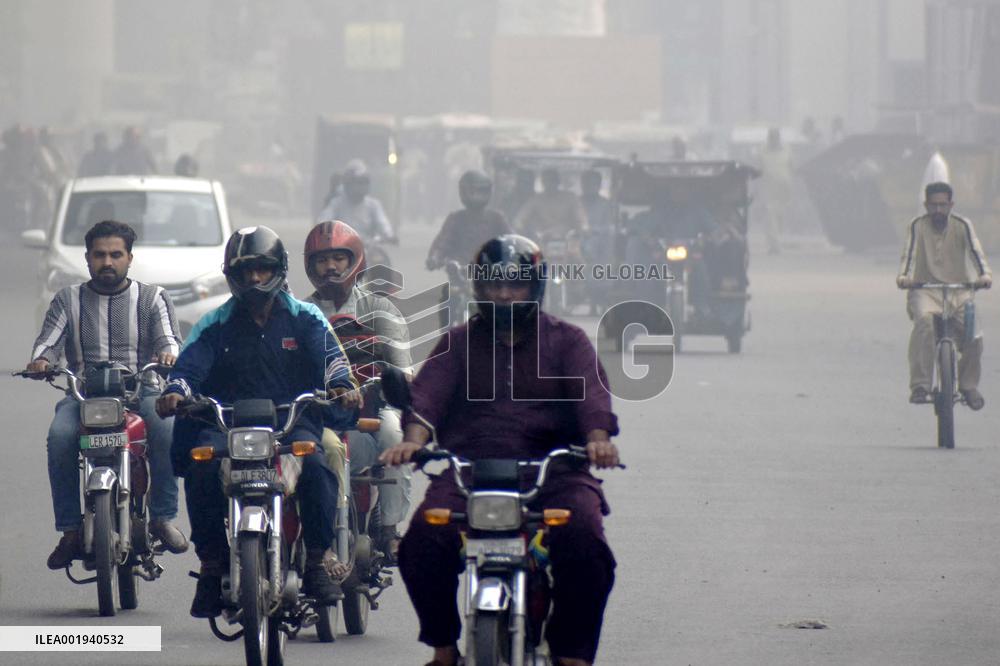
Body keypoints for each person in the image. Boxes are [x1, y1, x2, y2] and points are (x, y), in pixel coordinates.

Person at [381, 234, 621, 666]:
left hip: (555, 472)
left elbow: (592, 399)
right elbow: (428, 397)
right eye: (494, 285)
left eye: (515, 285)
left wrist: (598, 439)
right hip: (470, 473)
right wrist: (412, 442)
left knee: (586, 542)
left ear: (535, 287)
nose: (505, 295)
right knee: (419, 542)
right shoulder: (457, 343)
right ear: (479, 288)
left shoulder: (569, 342)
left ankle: (571, 652)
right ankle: (443, 648)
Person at [155, 225, 361, 618]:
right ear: (232, 274)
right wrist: (176, 391)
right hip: (225, 424)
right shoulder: (213, 322)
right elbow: (187, 369)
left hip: (291, 422)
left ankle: (317, 560)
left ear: (279, 270)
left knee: (317, 465)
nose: (254, 278)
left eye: (262, 269)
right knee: (200, 467)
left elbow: (333, 362)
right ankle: (213, 564)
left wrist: (341, 385)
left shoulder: (306, 317)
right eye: (246, 270)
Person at [26, 220, 187, 569]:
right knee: (60, 436)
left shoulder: (152, 297)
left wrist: (169, 356)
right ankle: (69, 530)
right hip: (83, 396)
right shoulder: (67, 299)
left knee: (165, 428)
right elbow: (48, 342)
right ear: (87, 259)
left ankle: (162, 517)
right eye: (100, 255)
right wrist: (41, 360)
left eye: (116, 254)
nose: (107, 262)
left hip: (141, 390)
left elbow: (170, 341)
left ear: (130, 258)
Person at [302, 220, 413, 560]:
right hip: (321, 408)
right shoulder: (303, 312)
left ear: (355, 262)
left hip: (376, 404)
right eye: (323, 260)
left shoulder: (380, 308)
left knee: (396, 433)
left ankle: (390, 527)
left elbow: (403, 368)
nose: (331, 267)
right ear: (311, 266)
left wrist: (391, 382)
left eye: (339, 258)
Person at [897, 182, 993, 408]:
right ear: (926, 205)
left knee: (974, 336)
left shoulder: (963, 225)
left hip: (959, 291)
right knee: (924, 323)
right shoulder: (916, 226)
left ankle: (968, 386)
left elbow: (976, 253)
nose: (938, 210)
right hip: (925, 290)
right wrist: (904, 278)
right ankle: (920, 385)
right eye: (933, 205)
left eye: (943, 205)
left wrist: (984, 276)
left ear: (951, 205)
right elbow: (908, 257)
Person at [317, 159, 397, 242]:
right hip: (342, 248)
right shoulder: (337, 203)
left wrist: (389, 235)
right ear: (347, 184)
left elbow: (382, 222)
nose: (360, 187)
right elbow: (325, 219)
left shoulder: (373, 205)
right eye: (356, 183)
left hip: (367, 247)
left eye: (363, 183)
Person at [514, 168, 588, 239]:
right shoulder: (536, 199)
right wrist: (519, 227)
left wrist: (584, 227)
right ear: (543, 183)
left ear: (558, 182)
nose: (550, 183)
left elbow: (580, 215)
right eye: (547, 181)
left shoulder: (570, 197)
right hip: (542, 237)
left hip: (567, 237)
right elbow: (521, 217)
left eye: (553, 180)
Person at [760, 127, 792, 255]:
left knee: (779, 216)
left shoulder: (787, 150)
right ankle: (775, 245)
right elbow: (759, 168)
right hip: (769, 189)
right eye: (771, 137)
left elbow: (792, 166)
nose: (773, 140)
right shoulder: (762, 151)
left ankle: (773, 243)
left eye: (775, 137)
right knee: (770, 215)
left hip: (784, 188)